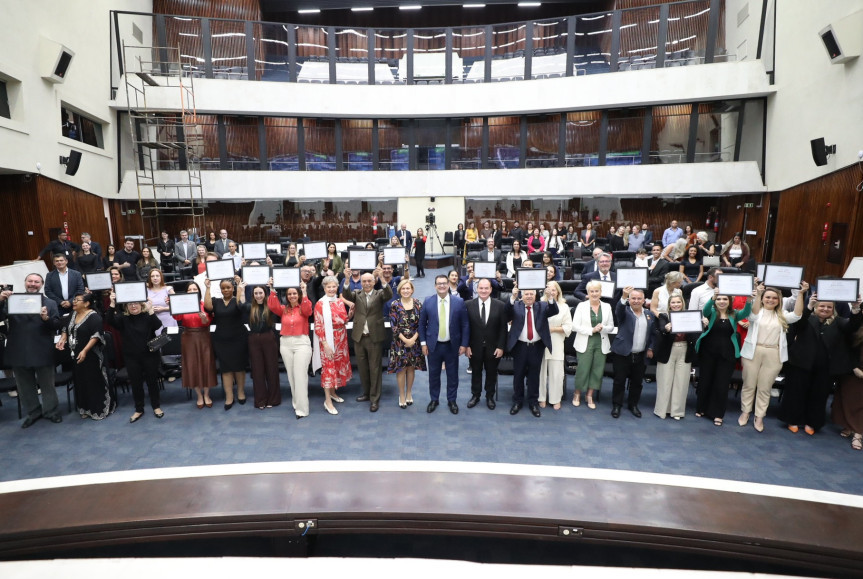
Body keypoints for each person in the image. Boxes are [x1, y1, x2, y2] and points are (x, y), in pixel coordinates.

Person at [780, 292, 863, 435]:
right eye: (822, 306)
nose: (825, 309)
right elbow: (798, 323)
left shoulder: (839, 322)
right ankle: (792, 420)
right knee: (796, 393)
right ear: (816, 307)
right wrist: (809, 306)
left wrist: (855, 308)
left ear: (833, 309)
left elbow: (852, 326)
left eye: (829, 307)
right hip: (800, 364)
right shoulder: (806, 318)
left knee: (818, 396)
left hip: (825, 369)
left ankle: (811, 422)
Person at [737, 283, 807, 432]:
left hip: (773, 354)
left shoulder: (782, 315)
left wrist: (801, 294)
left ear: (779, 300)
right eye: (767, 297)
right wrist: (758, 294)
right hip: (752, 352)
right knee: (749, 384)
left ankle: (759, 416)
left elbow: (797, 315)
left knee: (765, 387)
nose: (771, 300)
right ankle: (745, 412)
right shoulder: (756, 311)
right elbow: (752, 315)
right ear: (762, 299)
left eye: (775, 298)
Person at [0, 274, 64, 428]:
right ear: (25, 283)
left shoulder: (50, 303)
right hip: (18, 349)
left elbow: (56, 325)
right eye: (30, 281)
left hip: (42, 348)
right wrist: (0, 300)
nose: (33, 284)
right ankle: (33, 412)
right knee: (24, 386)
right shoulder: (11, 300)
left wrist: (46, 319)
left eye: (36, 282)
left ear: (41, 284)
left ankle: (51, 411)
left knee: (47, 384)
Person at [695, 287, 753, 426]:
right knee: (705, 381)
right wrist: (713, 297)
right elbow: (705, 310)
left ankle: (718, 414)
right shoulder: (712, 312)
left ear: (729, 301)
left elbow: (746, 312)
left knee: (721, 384)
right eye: (719, 299)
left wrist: (749, 300)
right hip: (708, 352)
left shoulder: (734, 314)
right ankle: (701, 408)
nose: (722, 301)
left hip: (727, 355)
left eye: (725, 299)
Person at [342, 266, 392, 412]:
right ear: (361, 283)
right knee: (363, 368)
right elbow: (346, 294)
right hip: (359, 337)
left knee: (375, 368)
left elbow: (389, 294)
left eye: (369, 281)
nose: (367, 283)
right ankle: (366, 392)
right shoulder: (357, 294)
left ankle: (374, 398)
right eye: (364, 281)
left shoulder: (379, 294)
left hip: (374, 337)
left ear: (373, 281)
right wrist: (347, 279)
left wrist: (382, 278)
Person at [56, 293, 114, 420]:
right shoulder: (73, 314)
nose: (74, 302)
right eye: (74, 299)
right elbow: (66, 327)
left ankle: (98, 409)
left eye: (77, 300)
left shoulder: (94, 317)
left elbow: (96, 336)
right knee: (81, 381)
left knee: (93, 381)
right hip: (76, 354)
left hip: (91, 355)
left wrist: (85, 351)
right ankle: (85, 408)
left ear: (87, 303)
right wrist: (63, 338)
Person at [106, 294, 163, 423]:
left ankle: (156, 407)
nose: (133, 306)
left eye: (136, 303)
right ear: (126, 306)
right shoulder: (123, 318)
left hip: (150, 355)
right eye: (130, 304)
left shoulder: (147, 315)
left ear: (141, 304)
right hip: (131, 357)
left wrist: (151, 310)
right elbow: (109, 320)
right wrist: (112, 303)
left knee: (152, 382)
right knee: (136, 383)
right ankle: (139, 409)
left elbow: (158, 325)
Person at [420, 274, 470, 414]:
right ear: (435, 286)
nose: (442, 286)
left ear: (448, 285)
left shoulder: (459, 302)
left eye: (444, 283)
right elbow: (422, 324)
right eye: (439, 283)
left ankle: (452, 400)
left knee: (453, 375)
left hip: (452, 345)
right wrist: (423, 343)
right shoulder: (428, 301)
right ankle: (434, 399)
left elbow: (465, 324)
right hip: (433, 346)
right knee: (433, 375)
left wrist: (464, 344)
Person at [506, 285, 558, 418]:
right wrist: (512, 297)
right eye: (526, 294)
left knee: (534, 376)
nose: (529, 296)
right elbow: (506, 314)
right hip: (520, 347)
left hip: (536, 347)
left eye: (531, 294)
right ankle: (517, 401)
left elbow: (554, 311)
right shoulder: (516, 305)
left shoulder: (542, 306)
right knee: (518, 375)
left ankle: (533, 403)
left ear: (535, 296)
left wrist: (550, 297)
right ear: (522, 295)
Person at [609, 287, 658, 419]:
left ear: (644, 300)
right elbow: (618, 309)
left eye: (639, 298)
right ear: (629, 300)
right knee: (619, 381)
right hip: (622, 353)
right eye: (633, 298)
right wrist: (623, 296)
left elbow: (653, 334)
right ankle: (617, 405)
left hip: (641, 354)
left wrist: (651, 348)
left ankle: (633, 404)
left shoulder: (649, 314)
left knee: (637, 382)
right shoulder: (624, 312)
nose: (636, 301)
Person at [204, 277, 249, 410]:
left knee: (239, 367)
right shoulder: (216, 301)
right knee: (226, 368)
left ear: (233, 288)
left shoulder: (237, 300)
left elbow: (242, 306)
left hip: (239, 339)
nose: (226, 290)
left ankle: (240, 392)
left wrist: (240, 288)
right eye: (223, 288)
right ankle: (229, 396)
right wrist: (207, 288)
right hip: (221, 340)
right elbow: (207, 307)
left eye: (228, 287)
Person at [269, 284, 312, 418]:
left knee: (300, 376)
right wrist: (272, 290)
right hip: (286, 344)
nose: (292, 296)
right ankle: (296, 402)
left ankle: (302, 409)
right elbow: (273, 306)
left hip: (301, 343)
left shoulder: (304, 306)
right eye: (289, 294)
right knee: (291, 376)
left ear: (298, 295)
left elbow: (308, 311)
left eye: (294, 293)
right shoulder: (284, 309)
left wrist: (304, 293)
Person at [654, 294, 700, 420]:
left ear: (682, 303)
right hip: (667, 351)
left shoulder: (689, 316)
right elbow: (662, 329)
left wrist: (702, 324)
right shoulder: (664, 316)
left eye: (678, 302)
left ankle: (677, 412)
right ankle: (662, 410)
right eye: (673, 302)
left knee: (682, 381)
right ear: (669, 304)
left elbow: (695, 334)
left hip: (684, 349)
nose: (676, 305)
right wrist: (666, 329)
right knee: (665, 381)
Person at [465, 278, 507, 410]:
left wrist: (501, 346)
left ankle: (490, 396)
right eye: (481, 288)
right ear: (477, 289)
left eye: (486, 288)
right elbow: (465, 328)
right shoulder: (468, 305)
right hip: (474, 347)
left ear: (491, 289)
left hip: (493, 347)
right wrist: (466, 345)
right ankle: (475, 395)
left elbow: (503, 328)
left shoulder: (500, 305)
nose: (483, 291)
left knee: (491, 373)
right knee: (476, 372)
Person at [173, 282, 217, 408]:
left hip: (204, 336)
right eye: (190, 289)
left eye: (195, 289)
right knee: (192, 366)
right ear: (186, 292)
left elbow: (208, 321)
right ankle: (199, 395)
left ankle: (207, 394)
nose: (192, 291)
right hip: (188, 337)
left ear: (199, 291)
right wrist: (173, 304)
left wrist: (204, 319)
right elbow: (177, 317)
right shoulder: (183, 304)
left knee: (206, 364)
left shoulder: (204, 305)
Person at [572, 280, 614, 410]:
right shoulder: (581, 306)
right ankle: (577, 394)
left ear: (601, 292)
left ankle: (589, 395)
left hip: (601, 342)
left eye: (597, 291)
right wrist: (592, 330)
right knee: (583, 369)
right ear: (588, 293)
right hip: (585, 341)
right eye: (592, 291)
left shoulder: (607, 306)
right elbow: (574, 326)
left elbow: (611, 326)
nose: (594, 294)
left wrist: (603, 328)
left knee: (597, 370)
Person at [314, 275, 352, 415]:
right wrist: (325, 344)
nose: (331, 289)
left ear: (337, 287)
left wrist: (350, 315)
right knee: (328, 369)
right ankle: (327, 401)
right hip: (327, 341)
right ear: (324, 288)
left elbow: (343, 320)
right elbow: (318, 326)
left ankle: (333, 392)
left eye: (333, 286)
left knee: (336, 366)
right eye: (328, 287)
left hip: (341, 339)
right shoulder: (320, 304)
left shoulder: (339, 301)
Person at [388, 279, 426, 408]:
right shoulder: (395, 304)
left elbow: (422, 324)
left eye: (408, 288)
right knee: (401, 369)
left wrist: (413, 339)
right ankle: (402, 395)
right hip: (400, 342)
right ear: (399, 290)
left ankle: (409, 393)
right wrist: (406, 340)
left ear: (412, 290)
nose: (405, 291)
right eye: (403, 288)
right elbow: (394, 326)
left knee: (411, 368)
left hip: (415, 342)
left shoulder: (418, 304)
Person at [245, 285, 280, 410]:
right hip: (254, 340)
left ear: (265, 294)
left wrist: (272, 290)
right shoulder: (250, 307)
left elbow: (277, 306)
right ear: (253, 295)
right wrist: (240, 289)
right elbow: (240, 305)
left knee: (272, 369)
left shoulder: (270, 306)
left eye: (260, 293)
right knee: (257, 370)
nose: (258, 295)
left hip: (268, 338)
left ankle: (273, 399)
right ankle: (260, 400)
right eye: (256, 293)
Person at [538, 281, 572, 410]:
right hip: (540, 341)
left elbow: (568, 327)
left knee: (556, 373)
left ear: (558, 292)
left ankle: (555, 398)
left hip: (556, 341)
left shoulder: (564, 306)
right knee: (540, 371)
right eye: (549, 290)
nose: (551, 292)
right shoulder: (540, 303)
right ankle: (541, 397)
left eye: (554, 290)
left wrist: (552, 329)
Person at [832, 326, 863, 451]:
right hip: (853, 371)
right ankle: (849, 425)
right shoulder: (857, 330)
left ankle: (858, 434)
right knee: (848, 400)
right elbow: (847, 349)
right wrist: (855, 368)